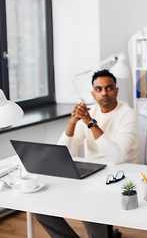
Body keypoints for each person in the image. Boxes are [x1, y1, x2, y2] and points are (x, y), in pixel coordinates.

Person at [34, 69, 139, 238]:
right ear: (92, 93)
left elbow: (117, 157)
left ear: (117, 90)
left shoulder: (128, 114)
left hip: (122, 174)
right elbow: (63, 154)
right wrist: (73, 122)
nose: (104, 93)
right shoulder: (89, 114)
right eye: (98, 89)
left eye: (109, 88)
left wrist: (91, 123)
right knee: (39, 204)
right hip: (93, 174)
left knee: (89, 208)